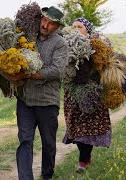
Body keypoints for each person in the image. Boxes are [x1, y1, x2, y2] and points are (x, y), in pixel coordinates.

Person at [8, 6, 69, 180]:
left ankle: (47, 175)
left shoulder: (60, 44)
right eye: (44, 20)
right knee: (25, 140)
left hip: (47, 102)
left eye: (51, 23)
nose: (45, 25)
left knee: (48, 143)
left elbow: (56, 71)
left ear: (57, 26)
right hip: (25, 101)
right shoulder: (27, 38)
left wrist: (30, 74)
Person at [62, 17, 112, 173]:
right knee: (75, 128)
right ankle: (85, 156)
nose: (76, 28)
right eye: (74, 26)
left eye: (80, 26)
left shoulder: (96, 47)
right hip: (72, 94)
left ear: (87, 31)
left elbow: (104, 66)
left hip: (91, 95)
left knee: (88, 129)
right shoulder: (65, 46)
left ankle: (83, 162)